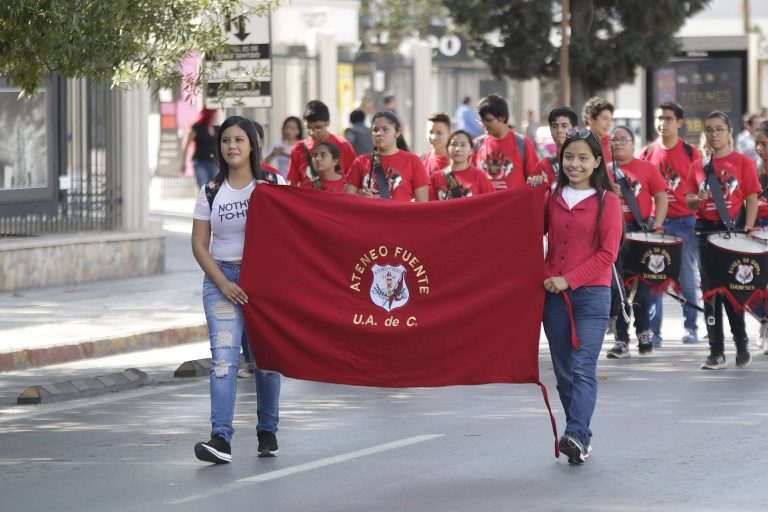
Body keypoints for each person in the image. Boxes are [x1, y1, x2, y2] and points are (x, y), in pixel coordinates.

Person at [191, 116, 284, 463]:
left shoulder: (272, 183)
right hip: (222, 282)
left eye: (239, 140)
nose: (232, 146)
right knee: (223, 361)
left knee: (266, 362)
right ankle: (221, 439)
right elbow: (200, 244)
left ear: (252, 146)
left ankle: (268, 432)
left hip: (264, 284)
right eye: (226, 140)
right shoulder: (211, 190)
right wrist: (224, 283)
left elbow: (293, 230)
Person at [542, 128, 622, 464]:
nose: (574, 163)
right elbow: (524, 233)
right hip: (552, 299)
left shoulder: (608, 201)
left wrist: (568, 280)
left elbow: (608, 254)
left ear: (597, 163)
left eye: (582, 158)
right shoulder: (551, 197)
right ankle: (580, 435)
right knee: (562, 373)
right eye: (569, 157)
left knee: (582, 368)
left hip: (591, 295)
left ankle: (576, 433)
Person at [686, 111, 760, 370]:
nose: (714, 134)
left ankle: (741, 342)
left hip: (735, 233)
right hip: (705, 233)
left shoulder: (743, 162)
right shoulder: (698, 166)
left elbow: (752, 198)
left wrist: (748, 227)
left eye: (719, 129)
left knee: (733, 291)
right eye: (709, 129)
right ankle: (715, 351)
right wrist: (698, 197)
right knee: (710, 293)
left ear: (730, 132)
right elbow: (688, 201)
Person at [605, 126, 669, 359]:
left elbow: (661, 196)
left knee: (642, 289)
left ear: (633, 143)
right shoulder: (601, 171)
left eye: (624, 139)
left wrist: (658, 224)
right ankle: (622, 340)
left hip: (641, 233)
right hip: (613, 236)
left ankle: (644, 330)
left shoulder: (647, 168)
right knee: (618, 290)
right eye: (614, 139)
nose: (619, 143)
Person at [641, 102, 702, 346]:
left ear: (679, 122)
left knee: (686, 280)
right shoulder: (647, 152)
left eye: (668, 118)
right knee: (654, 281)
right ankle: (654, 334)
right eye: (659, 118)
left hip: (685, 222)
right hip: (657, 225)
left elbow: (700, 186)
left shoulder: (690, 152)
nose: (662, 123)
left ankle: (691, 328)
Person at [344, 110, 429, 201]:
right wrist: (361, 198)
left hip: (400, 215)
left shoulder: (413, 161)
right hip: (370, 215)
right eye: (375, 130)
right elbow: (347, 201)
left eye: (385, 129)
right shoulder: (360, 162)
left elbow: (422, 205)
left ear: (397, 132)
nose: (379, 134)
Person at [472, 94, 538, 191]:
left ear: (502, 118)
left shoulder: (522, 144)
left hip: (514, 205)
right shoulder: (476, 144)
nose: (484, 125)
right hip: (486, 205)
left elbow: (535, 181)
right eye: (481, 121)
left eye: (489, 120)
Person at [287, 100, 356, 186]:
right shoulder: (298, 149)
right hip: (307, 198)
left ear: (328, 123)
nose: (312, 132)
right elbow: (292, 184)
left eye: (318, 127)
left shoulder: (344, 146)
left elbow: (354, 183)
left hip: (336, 198)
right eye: (308, 128)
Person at [429, 130, 494, 200]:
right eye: (454, 144)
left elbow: (492, 203)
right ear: (447, 149)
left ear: (471, 151)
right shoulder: (436, 177)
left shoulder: (479, 176)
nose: (458, 149)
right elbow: (429, 207)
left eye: (463, 145)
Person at [751, 120, 768, 353]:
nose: (759, 148)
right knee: (752, 283)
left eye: (763, 144)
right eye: (757, 144)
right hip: (754, 229)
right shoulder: (754, 167)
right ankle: (763, 320)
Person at [535, 106, 578, 186]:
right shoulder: (543, 166)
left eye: (564, 126)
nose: (559, 130)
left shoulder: (587, 161)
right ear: (550, 130)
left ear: (575, 130)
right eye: (555, 126)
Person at [181, 108, 218, 188]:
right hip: (200, 163)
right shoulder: (197, 127)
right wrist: (184, 163)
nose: (216, 116)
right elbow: (186, 145)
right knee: (203, 187)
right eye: (215, 114)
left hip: (214, 163)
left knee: (214, 188)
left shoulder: (217, 128)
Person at [582, 97, 614, 163]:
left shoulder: (612, 144)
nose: (609, 124)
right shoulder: (576, 142)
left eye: (611, 119)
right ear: (590, 119)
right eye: (605, 119)